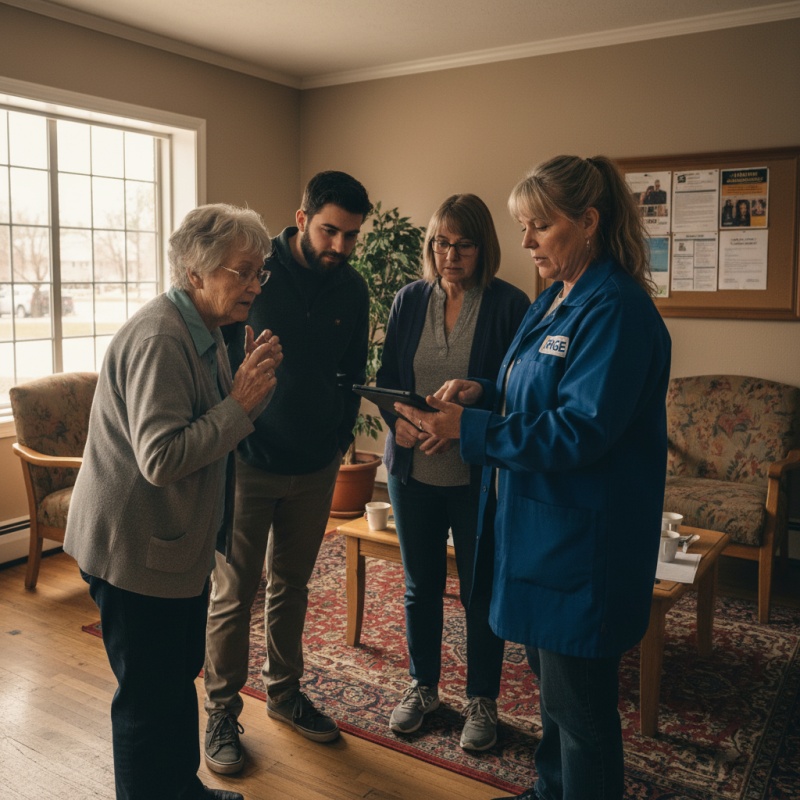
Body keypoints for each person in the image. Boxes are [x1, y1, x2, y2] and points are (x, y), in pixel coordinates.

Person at [397, 155, 671, 800]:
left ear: (588, 223)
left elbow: (579, 429)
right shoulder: (555, 299)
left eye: (539, 227)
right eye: (523, 226)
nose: (524, 242)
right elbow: (533, 393)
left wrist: (468, 429)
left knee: (581, 714)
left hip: (584, 546)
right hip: (539, 534)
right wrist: (483, 392)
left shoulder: (617, 311)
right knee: (553, 703)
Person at [63, 204, 282, 800]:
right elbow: (161, 458)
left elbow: (208, 423)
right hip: (133, 551)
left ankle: (180, 789)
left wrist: (243, 400)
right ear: (195, 273)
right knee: (147, 697)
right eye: (242, 272)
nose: (255, 285)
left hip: (170, 549)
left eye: (259, 272)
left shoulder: (206, 327)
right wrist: (240, 408)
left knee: (171, 681)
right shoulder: (161, 337)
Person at [203, 171, 372, 773]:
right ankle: (221, 712)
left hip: (316, 464)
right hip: (248, 462)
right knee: (234, 593)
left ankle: (284, 694)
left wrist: (336, 437)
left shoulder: (353, 290)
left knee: (292, 586)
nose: (340, 247)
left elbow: (353, 373)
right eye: (330, 231)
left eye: (351, 236)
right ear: (301, 218)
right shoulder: (254, 271)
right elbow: (216, 353)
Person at [376, 194, 529, 750]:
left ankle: (482, 699)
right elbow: (389, 380)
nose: (450, 254)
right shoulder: (408, 299)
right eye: (441, 242)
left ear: (483, 246)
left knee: (478, 590)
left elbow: (517, 389)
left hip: (475, 475)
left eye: (462, 243)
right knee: (420, 586)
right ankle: (424, 687)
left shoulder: (510, 304)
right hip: (413, 472)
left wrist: (479, 393)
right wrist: (397, 422)